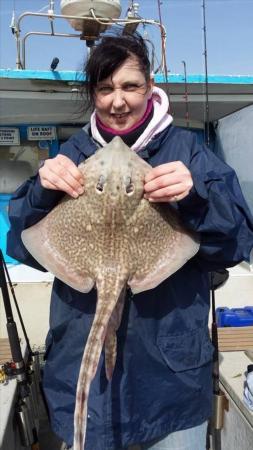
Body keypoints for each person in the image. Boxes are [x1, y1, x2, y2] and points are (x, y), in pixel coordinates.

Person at [7, 32, 253, 450]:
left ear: (150, 85)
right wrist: (41, 192)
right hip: (82, 377)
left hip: (170, 379)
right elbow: (21, 246)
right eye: (104, 88)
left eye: (130, 86)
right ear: (93, 94)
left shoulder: (189, 155)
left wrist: (195, 200)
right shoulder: (73, 154)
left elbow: (236, 246)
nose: (117, 101)